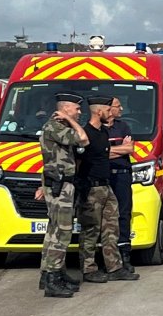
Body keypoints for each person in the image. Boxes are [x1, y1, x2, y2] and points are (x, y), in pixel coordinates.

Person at [77, 96, 140, 284]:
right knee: (90, 229)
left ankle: (114, 267)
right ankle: (88, 269)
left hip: (107, 186)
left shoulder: (104, 133)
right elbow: (81, 161)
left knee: (111, 228)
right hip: (92, 187)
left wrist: (115, 151)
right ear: (99, 111)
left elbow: (126, 150)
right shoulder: (86, 134)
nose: (110, 112)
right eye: (107, 109)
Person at [37, 93, 90, 297]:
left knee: (54, 230)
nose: (79, 112)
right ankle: (52, 277)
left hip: (60, 184)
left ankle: (52, 273)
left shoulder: (57, 127)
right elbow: (83, 139)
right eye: (76, 109)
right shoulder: (55, 127)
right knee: (62, 232)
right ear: (65, 109)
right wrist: (69, 120)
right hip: (60, 185)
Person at [106, 96, 135, 272]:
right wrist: (118, 149)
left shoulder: (123, 126)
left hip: (122, 176)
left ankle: (125, 255)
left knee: (123, 214)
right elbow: (96, 154)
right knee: (105, 217)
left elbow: (129, 148)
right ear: (108, 109)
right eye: (118, 106)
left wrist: (107, 151)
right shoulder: (97, 129)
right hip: (104, 177)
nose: (121, 109)